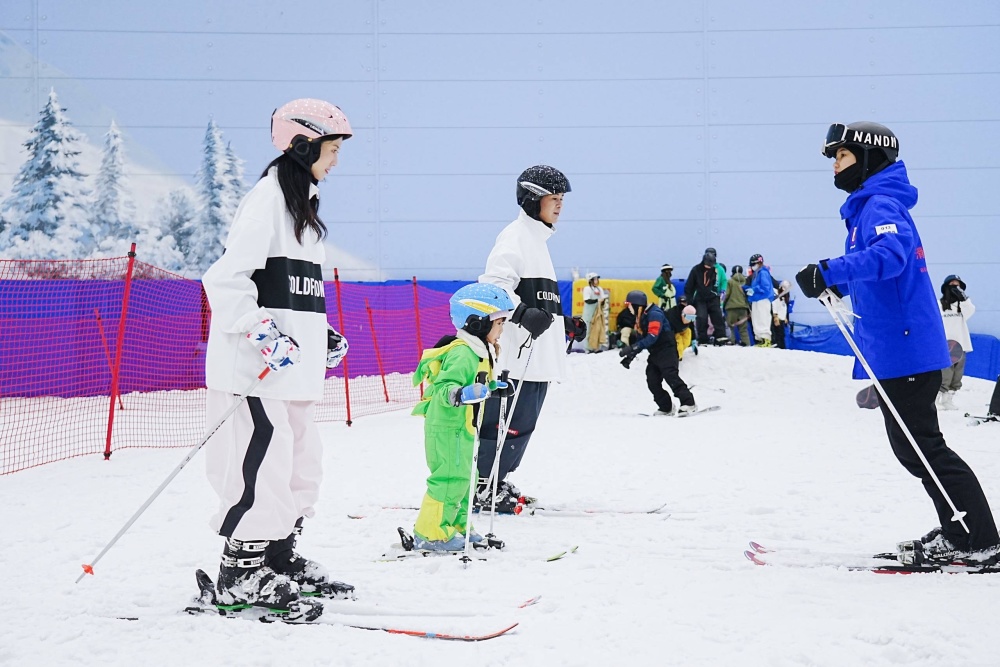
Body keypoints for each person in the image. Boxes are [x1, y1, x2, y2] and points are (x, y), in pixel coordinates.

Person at [796, 120, 1000, 565]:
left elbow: (890, 257)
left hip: (906, 350)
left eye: (843, 156)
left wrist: (829, 271)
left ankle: (979, 537)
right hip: (896, 351)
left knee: (925, 449)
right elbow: (882, 276)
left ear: (869, 159)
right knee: (917, 449)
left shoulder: (880, 205)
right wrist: (840, 285)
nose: (835, 165)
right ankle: (962, 530)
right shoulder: (867, 208)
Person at [201, 99, 354, 620]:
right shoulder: (267, 200)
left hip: (293, 374)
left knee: (300, 468)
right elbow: (224, 280)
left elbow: (293, 296)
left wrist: (321, 333)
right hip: (255, 372)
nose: (335, 161)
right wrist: (262, 333)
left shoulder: (303, 213)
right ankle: (239, 575)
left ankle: (278, 557)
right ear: (303, 144)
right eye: (331, 150)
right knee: (261, 469)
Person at [474, 165, 573, 513]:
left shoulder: (538, 242)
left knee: (522, 427)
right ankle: (483, 487)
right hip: (515, 359)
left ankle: (497, 481)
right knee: (503, 425)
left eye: (562, 200)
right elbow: (493, 287)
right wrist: (519, 314)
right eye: (554, 199)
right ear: (532, 200)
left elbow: (540, 301)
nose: (560, 206)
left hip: (537, 360)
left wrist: (565, 322)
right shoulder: (515, 237)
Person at [410, 284, 511, 551]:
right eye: (499, 323)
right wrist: (462, 393)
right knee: (449, 478)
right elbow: (445, 388)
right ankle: (429, 533)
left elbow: (476, 385)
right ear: (477, 322)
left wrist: (492, 388)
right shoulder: (463, 352)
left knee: (465, 478)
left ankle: (457, 526)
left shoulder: (480, 351)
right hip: (447, 426)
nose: (502, 329)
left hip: (463, 427)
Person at [619, 290, 696, 415]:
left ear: (637, 305)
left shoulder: (654, 314)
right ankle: (666, 407)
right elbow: (641, 339)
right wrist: (630, 356)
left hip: (667, 351)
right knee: (652, 380)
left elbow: (652, 337)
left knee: (671, 377)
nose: (628, 307)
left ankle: (689, 403)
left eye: (629, 304)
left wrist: (632, 348)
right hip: (655, 352)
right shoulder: (640, 317)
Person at [937, 275, 975, 410]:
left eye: (957, 285)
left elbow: (971, 311)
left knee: (957, 374)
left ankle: (948, 400)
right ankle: (936, 400)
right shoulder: (939, 304)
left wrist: (963, 298)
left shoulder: (962, 306)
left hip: (961, 343)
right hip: (946, 344)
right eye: (952, 284)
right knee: (945, 372)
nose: (955, 287)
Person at [684, 250, 728, 345]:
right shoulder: (696, 270)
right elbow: (689, 286)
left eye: (710, 266)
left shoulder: (716, 270)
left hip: (712, 297)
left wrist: (719, 294)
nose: (708, 267)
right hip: (700, 298)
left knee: (717, 316)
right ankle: (703, 338)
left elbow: (719, 282)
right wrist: (690, 301)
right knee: (701, 317)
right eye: (707, 265)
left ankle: (721, 336)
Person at [746, 254, 775, 347]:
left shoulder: (763, 273)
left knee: (763, 318)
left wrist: (754, 290)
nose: (752, 267)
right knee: (756, 319)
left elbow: (765, 287)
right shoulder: (757, 274)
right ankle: (760, 339)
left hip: (763, 299)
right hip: (756, 299)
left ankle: (766, 339)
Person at [723, 265, 751, 346]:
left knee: (730, 326)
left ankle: (731, 342)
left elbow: (726, 294)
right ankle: (746, 344)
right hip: (743, 308)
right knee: (743, 329)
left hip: (731, 308)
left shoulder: (730, 282)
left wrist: (722, 305)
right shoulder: (746, 281)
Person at [582, 272, 609, 352]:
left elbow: (603, 299)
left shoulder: (599, 289)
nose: (596, 281)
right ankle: (588, 348)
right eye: (595, 279)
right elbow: (587, 300)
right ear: (590, 280)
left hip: (597, 313)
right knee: (588, 330)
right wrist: (597, 300)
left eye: (597, 279)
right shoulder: (587, 289)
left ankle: (596, 348)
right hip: (589, 314)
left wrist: (602, 301)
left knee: (597, 329)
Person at [771, 280, 792, 349]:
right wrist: (775, 316)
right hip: (778, 318)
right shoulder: (776, 294)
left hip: (782, 318)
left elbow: (784, 308)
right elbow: (774, 305)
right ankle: (779, 347)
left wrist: (785, 317)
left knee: (782, 335)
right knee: (778, 335)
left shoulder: (784, 297)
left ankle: (782, 348)